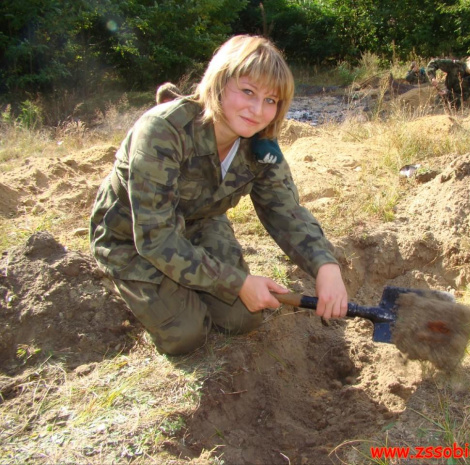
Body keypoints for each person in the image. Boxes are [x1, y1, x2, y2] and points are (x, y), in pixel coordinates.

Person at [89, 35, 348, 356]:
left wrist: (325, 266)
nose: (258, 110)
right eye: (248, 92)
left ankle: (183, 288)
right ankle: (124, 278)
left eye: (271, 100)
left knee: (245, 317)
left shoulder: (261, 145)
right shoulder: (161, 131)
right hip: (131, 235)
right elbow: (156, 238)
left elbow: (285, 211)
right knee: (186, 334)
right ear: (220, 83)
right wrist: (236, 282)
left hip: (199, 223)